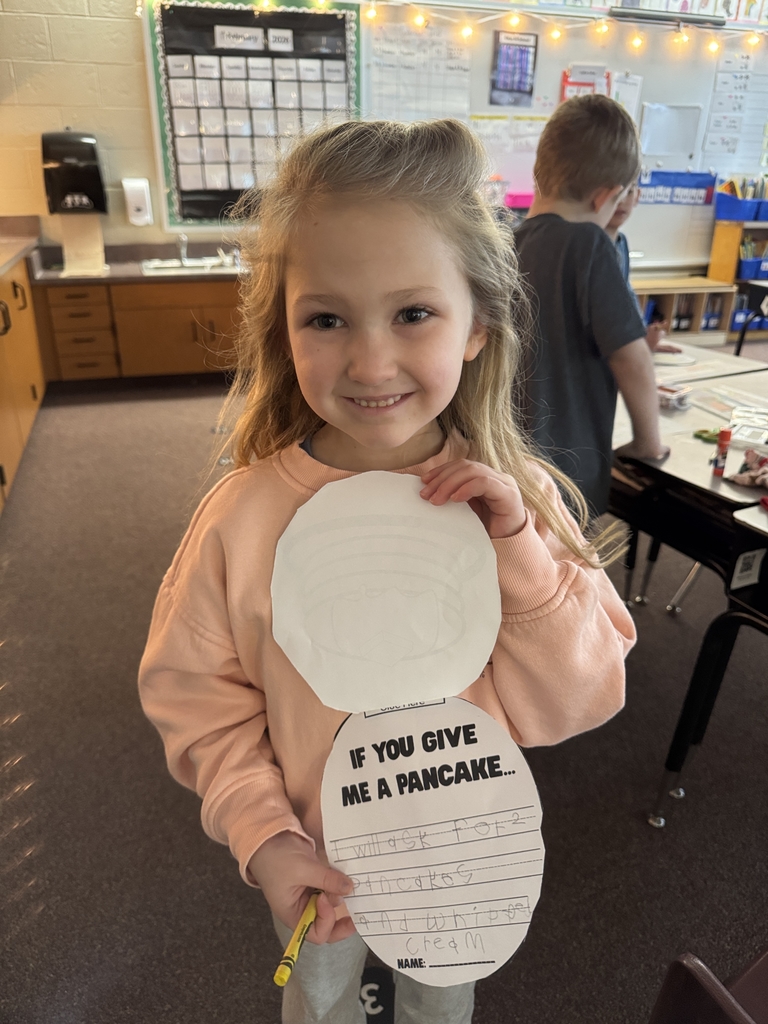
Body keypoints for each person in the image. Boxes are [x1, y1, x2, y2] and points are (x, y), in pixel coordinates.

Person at [138, 119, 636, 1024]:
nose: (370, 362)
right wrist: (265, 837)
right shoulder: (243, 518)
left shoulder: (513, 505)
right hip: (314, 868)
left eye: (414, 312)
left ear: (479, 322)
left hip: (458, 863)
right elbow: (197, 697)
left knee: (439, 1006)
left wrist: (517, 548)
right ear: (285, 329)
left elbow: (583, 696)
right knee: (320, 1006)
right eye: (326, 318)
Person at [515, 94, 669, 517]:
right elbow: (632, 359)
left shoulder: (505, 244)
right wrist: (647, 443)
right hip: (569, 476)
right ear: (607, 197)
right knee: (566, 580)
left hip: (505, 467)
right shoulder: (590, 246)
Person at [605, 183, 674, 353]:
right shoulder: (591, 246)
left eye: (629, 192)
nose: (622, 201)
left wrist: (644, 337)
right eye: (616, 194)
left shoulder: (621, 242)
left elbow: (626, 292)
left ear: (638, 196)